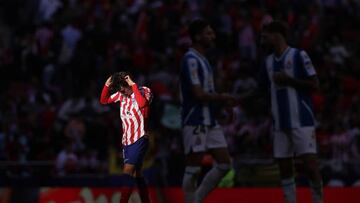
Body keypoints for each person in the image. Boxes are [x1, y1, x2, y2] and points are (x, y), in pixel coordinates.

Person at [259, 21, 323, 203]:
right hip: (280, 123)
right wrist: (235, 99)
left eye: (265, 36)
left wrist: (289, 80)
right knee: (285, 169)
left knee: (310, 166)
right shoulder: (268, 61)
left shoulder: (299, 55)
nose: (262, 40)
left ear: (276, 35)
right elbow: (259, 89)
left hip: (301, 119)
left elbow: (315, 84)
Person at [180, 19, 236, 203]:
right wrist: (221, 98)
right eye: (208, 33)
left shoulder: (203, 60)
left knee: (224, 164)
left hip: (209, 120)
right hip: (195, 119)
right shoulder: (190, 60)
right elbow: (198, 93)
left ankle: (195, 200)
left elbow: (207, 93)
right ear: (197, 37)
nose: (213, 36)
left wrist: (220, 108)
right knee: (194, 168)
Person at [100, 71, 152, 203]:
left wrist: (132, 85)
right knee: (137, 173)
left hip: (140, 137)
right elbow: (103, 100)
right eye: (120, 91)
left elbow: (142, 104)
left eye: (124, 90)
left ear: (129, 84)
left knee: (127, 170)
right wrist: (107, 84)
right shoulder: (121, 95)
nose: (123, 93)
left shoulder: (144, 91)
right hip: (127, 141)